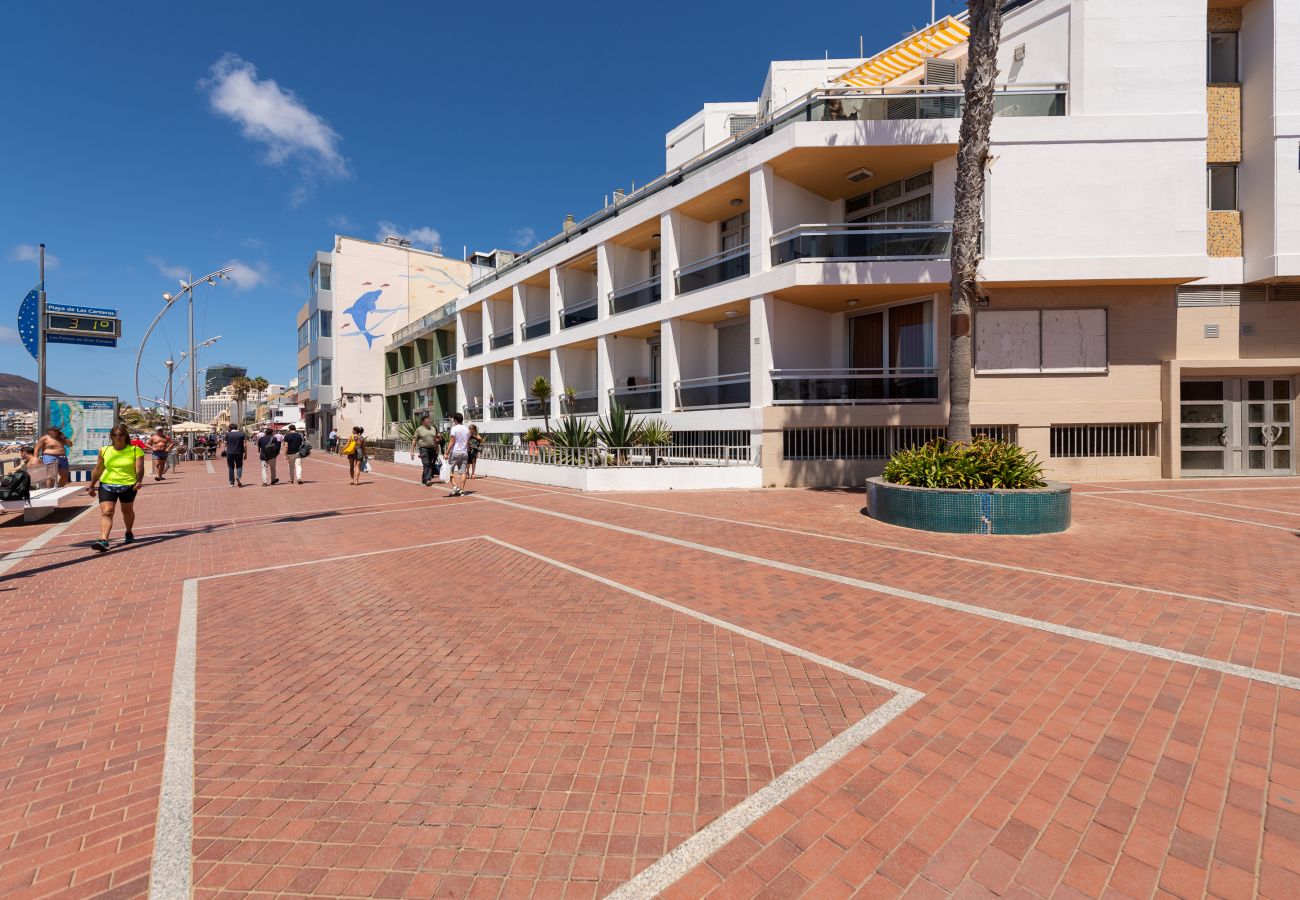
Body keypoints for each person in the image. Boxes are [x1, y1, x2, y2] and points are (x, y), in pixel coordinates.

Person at [86, 423, 145, 553]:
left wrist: (139, 481)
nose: (118, 437)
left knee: (127, 512)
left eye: (121, 434)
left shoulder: (135, 450)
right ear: (111, 436)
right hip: (107, 484)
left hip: (128, 485)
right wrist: (91, 485)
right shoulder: (104, 450)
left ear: (125, 436)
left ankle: (129, 532)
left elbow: (139, 468)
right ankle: (104, 540)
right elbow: (98, 468)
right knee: (107, 511)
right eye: (115, 435)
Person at [411, 415, 443, 486]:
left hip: (432, 449)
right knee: (426, 463)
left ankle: (424, 479)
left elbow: (435, 440)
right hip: (423, 449)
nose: (429, 421)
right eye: (427, 420)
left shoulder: (433, 429)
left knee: (430, 464)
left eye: (429, 420)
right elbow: (414, 440)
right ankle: (428, 479)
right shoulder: (419, 429)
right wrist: (412, 451)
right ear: (423, 421)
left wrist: (437, 448)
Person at [446, 413, 470, 497]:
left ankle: (455, 487)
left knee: (449, 469)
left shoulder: (454, 428)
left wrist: (447, 452)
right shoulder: (467, 429)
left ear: (455, 420)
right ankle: (462, 490)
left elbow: (452, 441)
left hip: (456, 452)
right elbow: (468, 442)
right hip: (464, 452)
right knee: (463, 472)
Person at [223, 423, 247, 487]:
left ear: (230, 428)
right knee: (239, 466)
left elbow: (225, 445)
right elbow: (245, 445)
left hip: (230, 453)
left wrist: (224, 452)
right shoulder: (241, 434)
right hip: (239, 453)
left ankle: (231, 483)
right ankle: (238, 477)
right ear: (236, 428)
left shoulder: (227, 435)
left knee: (231, 467)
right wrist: (246, 454)